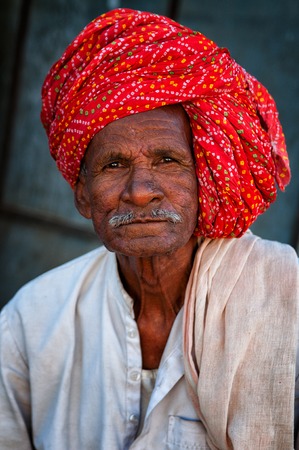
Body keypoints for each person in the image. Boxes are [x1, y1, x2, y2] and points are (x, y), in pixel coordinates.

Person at [0, 8, 298, 450]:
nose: (140, 192)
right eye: (114, 164)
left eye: (167, 160)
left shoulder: (285, 294)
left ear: (205, 179)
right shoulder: (32, 323)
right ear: (82, 195)